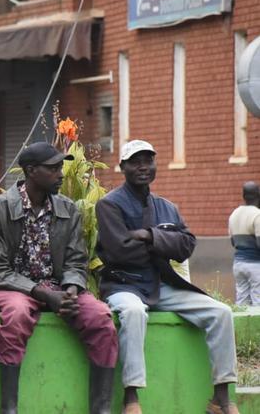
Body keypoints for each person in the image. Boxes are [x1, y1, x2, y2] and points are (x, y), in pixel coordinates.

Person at [96, 140, 239, 414]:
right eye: (135, 162)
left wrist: (148, 235)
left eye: (148, 161)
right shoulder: (109, 205)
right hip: (124, 284)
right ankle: (131, 398)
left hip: (161, 285)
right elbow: (121, 252)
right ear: (122, 166)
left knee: (221, 312)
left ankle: (221, 398)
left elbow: (186, 245)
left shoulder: (167, 207)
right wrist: (164, 243)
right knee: (134, 313)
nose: (143, 167)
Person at [0, 141, 117, 414]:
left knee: (100, 318)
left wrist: (71, 290)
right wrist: (44, 295)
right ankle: (9, 408)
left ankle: (101, 409)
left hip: (58, 288)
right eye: (53, 168)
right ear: (31, 171)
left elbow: (77, 260)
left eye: (60, 167)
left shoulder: (68, 209)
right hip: (11, 287)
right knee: (16, 314)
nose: (61, 174)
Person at [228, 181, 260, 306]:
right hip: (255, 265)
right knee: (258, 302)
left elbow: (232, 242)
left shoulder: (234, 214)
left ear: (243, 195)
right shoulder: (257, 215)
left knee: (242, 301)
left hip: (238, 264)